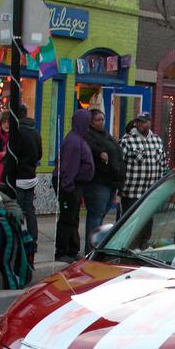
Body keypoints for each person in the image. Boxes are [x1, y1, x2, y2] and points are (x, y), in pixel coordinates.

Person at [53, 109, 95, 262]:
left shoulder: (78, 139)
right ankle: (63, 250)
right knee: (67, 219)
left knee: (73, 218)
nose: (89, 127)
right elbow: (69, 168)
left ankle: (71, 249)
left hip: (75, 185)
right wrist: (68, 187)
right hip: (70, 186)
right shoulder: (73, 142)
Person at [83, 108, 125, 251]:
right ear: (91, 122)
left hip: (110, 181)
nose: (101, 122)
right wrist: (100, 152)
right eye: (98, 120)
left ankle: (96, 245)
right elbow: (91, 148)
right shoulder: (89, 136)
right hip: (98, 181)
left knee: (101, 214)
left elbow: (116, 152)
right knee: (96, 215)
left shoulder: (106, 135)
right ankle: (91, 247)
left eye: (102, 119)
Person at [1, 103, 42, 246]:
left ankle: (18, 237)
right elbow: (40, 154)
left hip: (17, 177)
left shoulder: (17, 133)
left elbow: (11, 156)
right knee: (29, 208)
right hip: (30, 175)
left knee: (16, 208)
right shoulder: (36, 133)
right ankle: (33, 237)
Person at [119, 112, 167, 217]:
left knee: (147, 224)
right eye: (138, 122)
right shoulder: (127, 140)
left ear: (150, 123)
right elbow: (119, 165)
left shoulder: (157, 140)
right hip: (131, 193)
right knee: (129, 223)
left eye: (143, 122)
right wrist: (120, 187)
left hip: (151, 193)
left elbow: (162, 165)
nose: (140, 124)